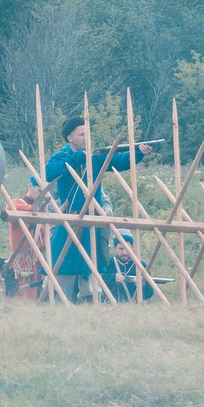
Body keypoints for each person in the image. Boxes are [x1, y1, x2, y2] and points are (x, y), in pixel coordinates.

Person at [44, 116, 151, 302]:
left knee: (91, 270)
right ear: (70, 138)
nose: (86, 138)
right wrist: (78, 157)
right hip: (69, 220)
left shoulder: (94, 155)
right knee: (61, 269)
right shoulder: (62, 157)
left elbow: (119, 160)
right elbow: (49, 172)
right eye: (81, 134)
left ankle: (90, 306)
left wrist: (138, 152)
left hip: (92, 221)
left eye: (87, 134)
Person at [108, 228, 158, 303]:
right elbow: (99, 282)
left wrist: (142, 285)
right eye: (121, 249)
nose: (124, 252)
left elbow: (149, 293)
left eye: (127, 248)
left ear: (132, 247)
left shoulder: (141, 265)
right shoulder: (108, 264)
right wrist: (112, 278)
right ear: (114, 248)